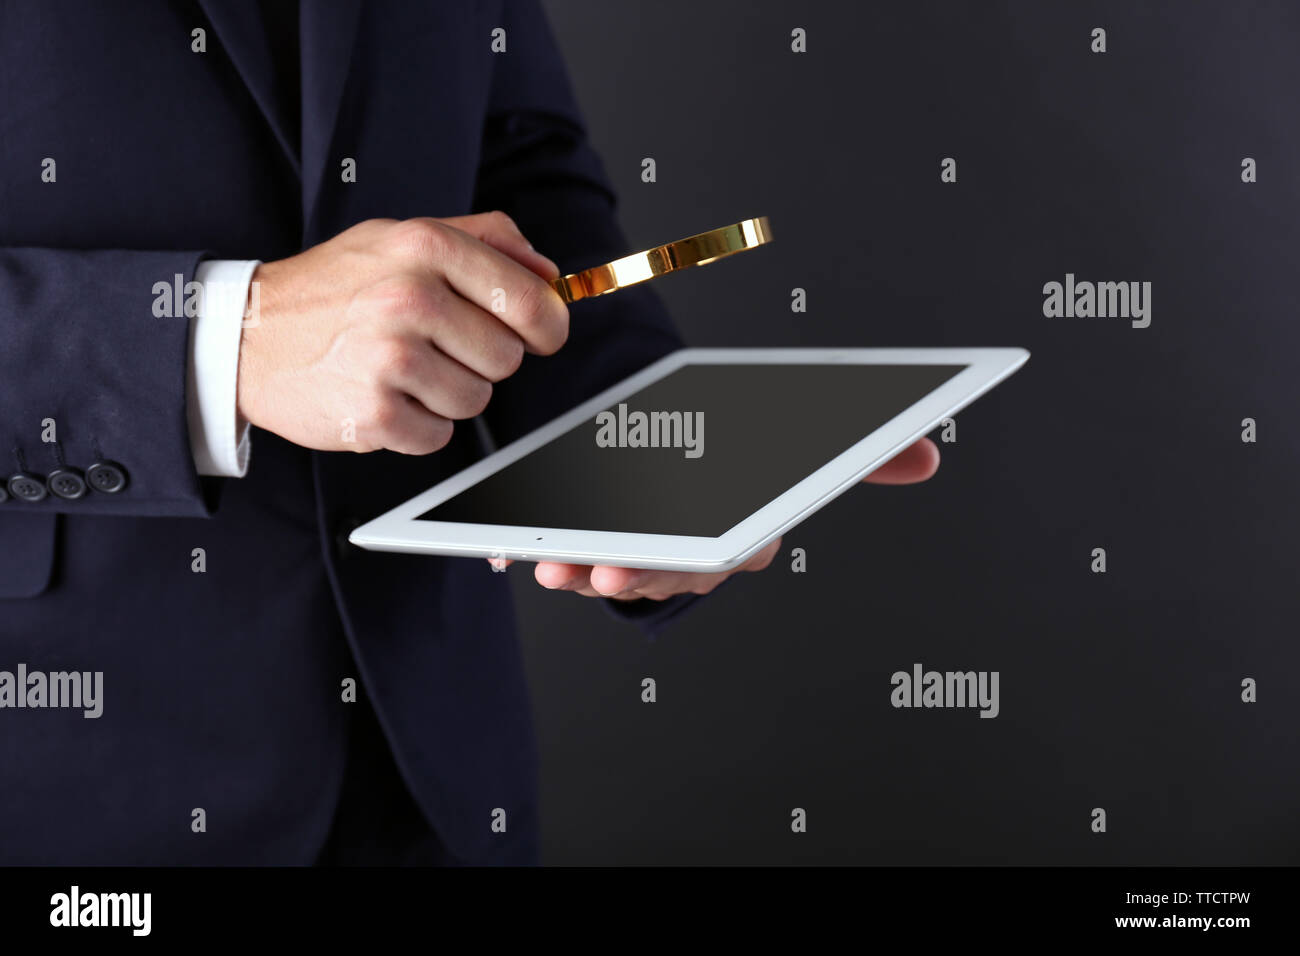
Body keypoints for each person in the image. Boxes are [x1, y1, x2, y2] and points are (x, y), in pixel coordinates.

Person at [0, 0, 938, 865]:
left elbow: (517, 159)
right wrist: (220, 337)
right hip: (75, 786)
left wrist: (637, 445)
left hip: (438, 772)